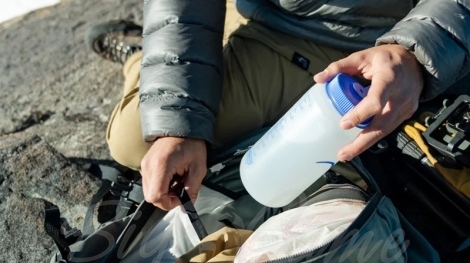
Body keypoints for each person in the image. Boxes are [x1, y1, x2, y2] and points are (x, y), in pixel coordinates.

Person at [88, 0, 470, 211]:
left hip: (436, 27)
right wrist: (177, 119)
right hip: (300, 27)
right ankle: (143, 54)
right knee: (134, 137)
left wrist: (417, 52)